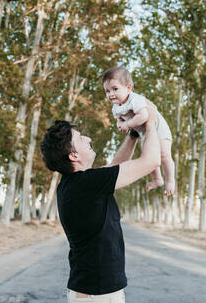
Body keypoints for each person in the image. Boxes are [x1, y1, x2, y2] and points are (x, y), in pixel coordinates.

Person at [40, 104, 161, 303]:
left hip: (92, 292)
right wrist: (150, 123)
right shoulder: (86, 184)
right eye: (80, 138)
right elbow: (151, 161)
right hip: (97, 295)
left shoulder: (76, 184)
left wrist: (133, 134)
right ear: (74, 156)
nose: (88, 139)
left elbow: (115, 167)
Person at [102, 66, 175, 196]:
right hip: (145, 132)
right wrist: (121, 124)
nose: (111, 94)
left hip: (159, 129)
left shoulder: (134, 100)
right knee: (148, 155)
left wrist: (128, 124)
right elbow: (118, 118)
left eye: (115, 89)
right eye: (107, 91)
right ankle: (157, 179)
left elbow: (144, 116)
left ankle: (170, 181)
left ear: (128, 88)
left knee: (164, 154)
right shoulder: (115, 106)